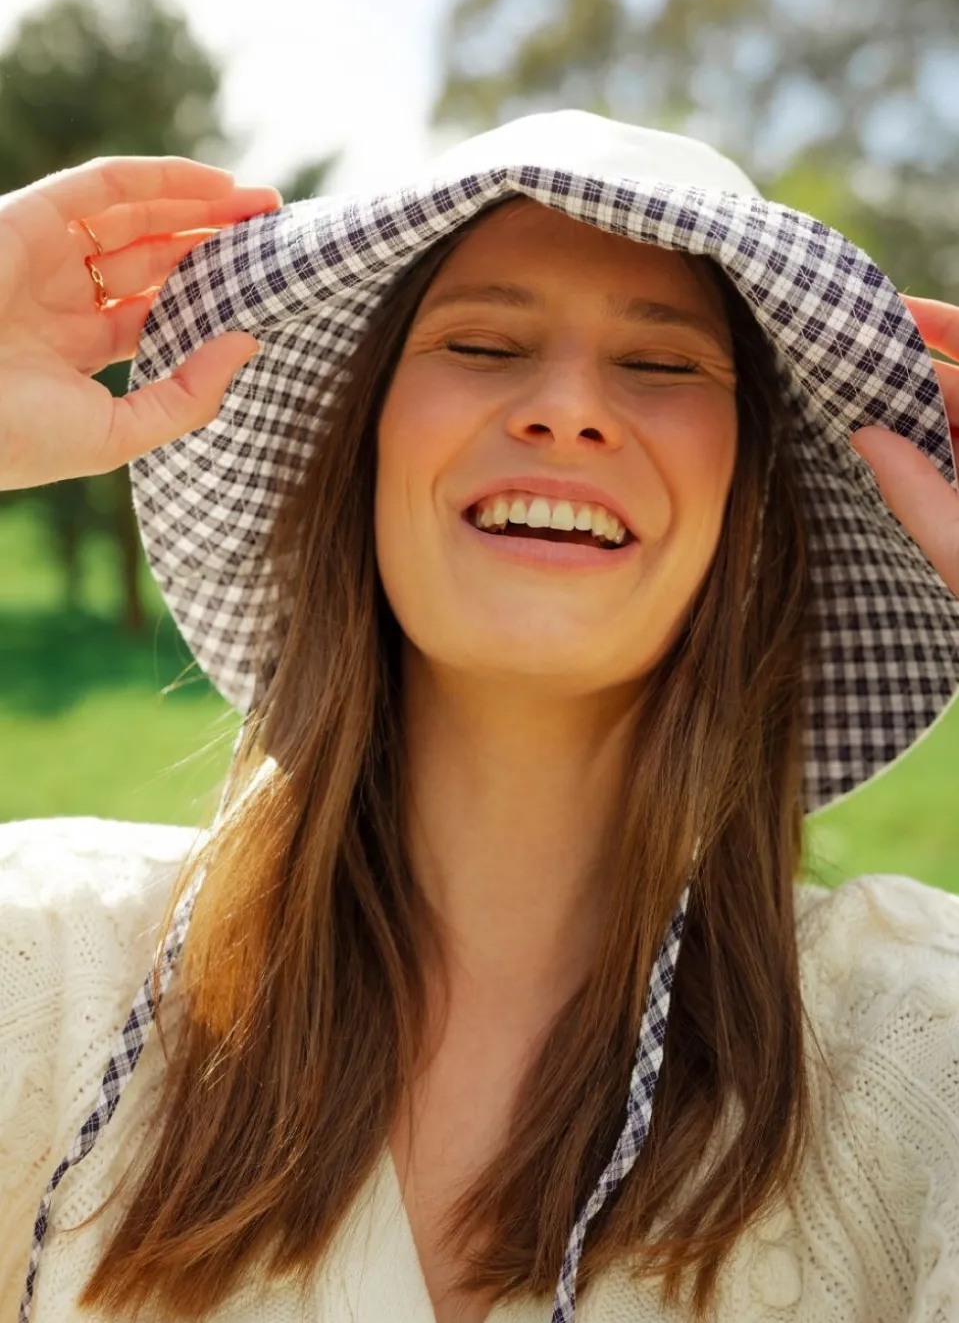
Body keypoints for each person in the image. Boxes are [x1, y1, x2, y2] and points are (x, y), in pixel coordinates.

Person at [0, 112, 958, 1323]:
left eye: (662, 366)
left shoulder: (922, 1043)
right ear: (359, 452)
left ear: (750, 512)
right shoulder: (46, 964)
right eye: (483, 342)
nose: (565, 408)